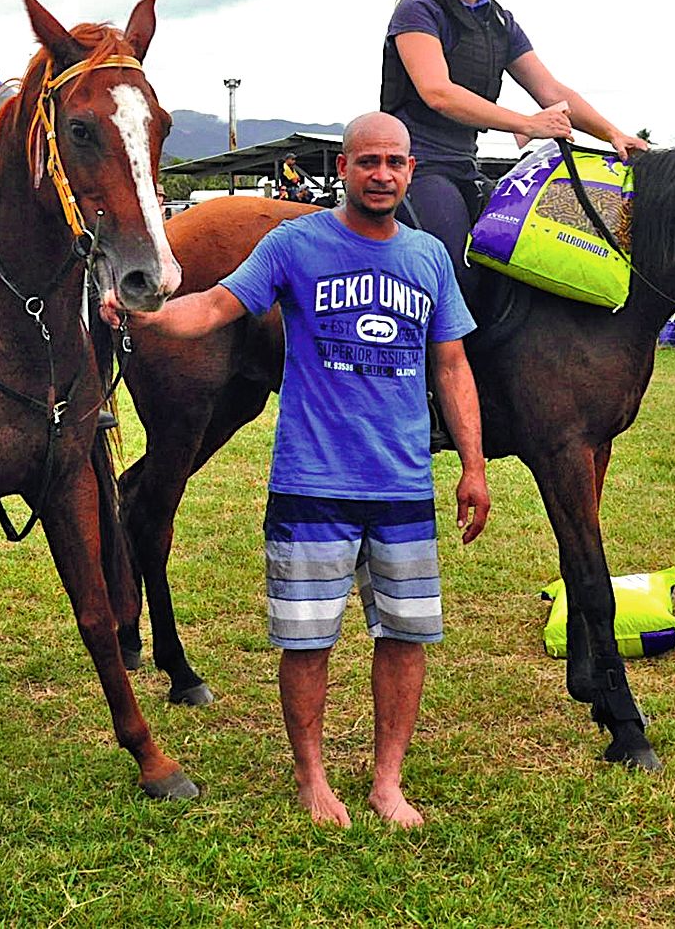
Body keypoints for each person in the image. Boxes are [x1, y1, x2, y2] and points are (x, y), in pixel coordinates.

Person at [121, 112, 490, 827]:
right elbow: (216, 306)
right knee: (306, 640)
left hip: (402, 483)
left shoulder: (427, 258)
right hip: (312, 478)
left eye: (394, 162)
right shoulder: (294, 243)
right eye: (367, 162)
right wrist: (147, 316)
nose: (381, 174)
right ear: (343, 169)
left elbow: (450, 363)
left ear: (409, 171)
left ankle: (387, 781)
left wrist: (472, 465)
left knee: (406, 638)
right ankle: (311, 776)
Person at [381, 0, 649, 295]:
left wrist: (612, 133)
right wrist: (527, 124)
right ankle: (437, 359)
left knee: (515, 255)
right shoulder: (419, 9)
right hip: (417, 164)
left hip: (464, 166)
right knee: (457, 269)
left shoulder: (499, 21)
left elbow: (551, 89)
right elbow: (438, 92)